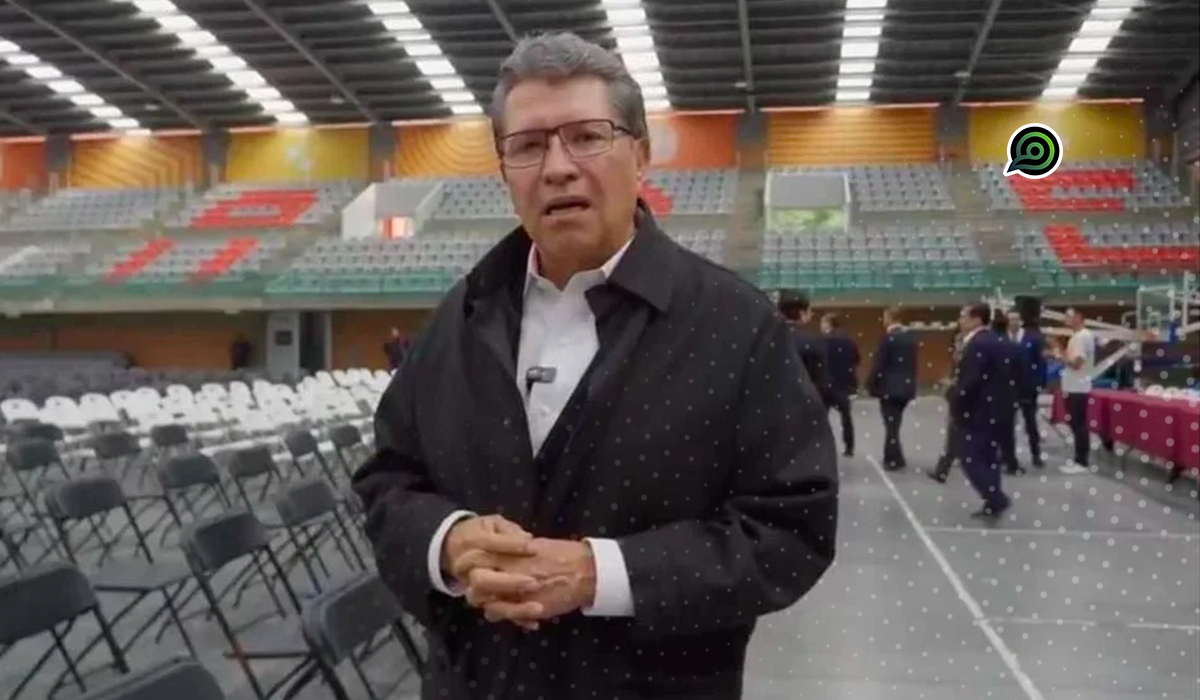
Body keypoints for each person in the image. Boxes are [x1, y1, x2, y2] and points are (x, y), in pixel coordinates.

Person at [352, 32, 839, 700]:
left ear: (640, 154)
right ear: (504, 171)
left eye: (586, 136)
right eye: (528, 145)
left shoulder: (735, 325)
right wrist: (447, 542)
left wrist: (600, 574)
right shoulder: (460, 317)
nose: (557, 167)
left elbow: (791, 530)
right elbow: (389, 479)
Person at [951, 303, 1011, 520]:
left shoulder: (977, 344)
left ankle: (995, 497)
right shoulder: (1001, 341)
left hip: (977, 411)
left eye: (964, 316)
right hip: (998, 409)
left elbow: (971, 380)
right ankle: (992, 502)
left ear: (977, 319)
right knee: (989, 458)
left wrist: (956, 400)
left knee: (970, 458)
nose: (960, 321)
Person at [868, 306, 916, 470]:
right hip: (906, 387)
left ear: (889, 318)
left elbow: (879, 364)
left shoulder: (888, 339)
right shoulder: (910, 338)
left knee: (891, 425)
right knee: (895, 424)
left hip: (889, 388)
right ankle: (895, 456)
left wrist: (871, 384)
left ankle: (893, 459)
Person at [1054, 307, 1096, 472]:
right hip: (1073, 386)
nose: (1065, 319)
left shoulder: (1082, 336)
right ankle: (1079, 458)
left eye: (1068, 316)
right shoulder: (1076, 336)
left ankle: (1082, 461)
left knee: (1078, 423)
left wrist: (1060, 356)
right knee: (1075, 423)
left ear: (1078, 317)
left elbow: (1076, 364)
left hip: (1078, 387)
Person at [778, 290, 833, 408]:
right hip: (801, 405)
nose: (811, 315)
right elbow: (822, 382)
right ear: (802, 313)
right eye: (810, 311)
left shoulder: (765, 339)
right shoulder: (812, 342)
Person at [1007, 310, 1046, 469]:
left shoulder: (1033, 338)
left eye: (1016, 319)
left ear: (1021, 320)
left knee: (1030, 422)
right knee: (1007, 424)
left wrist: (1040, 383)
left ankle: (1036, 454)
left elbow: (1041, 362)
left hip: (1028, 387)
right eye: (1011, 319)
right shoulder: (1002, 338)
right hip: (1008, 388)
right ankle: (1008, 457)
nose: (1013, 322)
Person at [929, 328, 966, 483]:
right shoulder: (956, 358)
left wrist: (952, 384)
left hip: (963, 400)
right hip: (956, 398)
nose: (957, 345)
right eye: (956, 341)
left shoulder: (967, 358)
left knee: (955, 435)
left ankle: (942, 471)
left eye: (960, 341)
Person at [821, 312, 860, 457]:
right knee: (846, 417)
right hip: (844, 384)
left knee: (822, 417)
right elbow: (856, 359)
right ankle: (849, 446)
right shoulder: (849, 341)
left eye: (823, 323)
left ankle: (822, 445)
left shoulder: (823, 341)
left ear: (829, 324)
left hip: (826, 384)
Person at [992, 311, 1025, 475]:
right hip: (1009, 394)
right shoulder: (1014, 348)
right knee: (1008, 430)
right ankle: (1011, 462)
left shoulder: (985, 347)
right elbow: (1021, 373)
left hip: (989, 394)